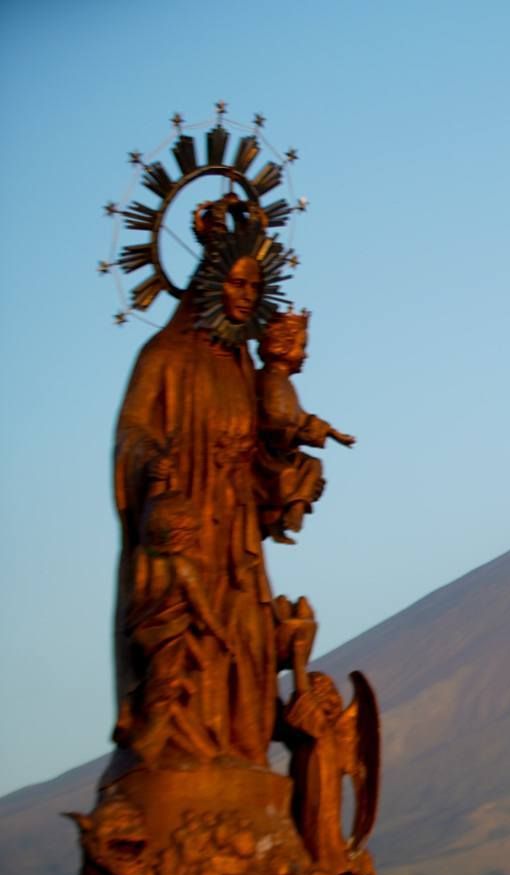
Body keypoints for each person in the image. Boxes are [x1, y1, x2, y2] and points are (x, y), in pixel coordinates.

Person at [112, 196, 284, 772]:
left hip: (236, 534)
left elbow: (264, 450)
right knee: (190, 640)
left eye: (254, 286)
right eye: (236, 283)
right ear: (211, 282)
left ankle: (241, 752)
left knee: (250, 638)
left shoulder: (241, 367)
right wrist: (154, 460)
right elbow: (132, 433)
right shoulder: (164, 356)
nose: (247, 296)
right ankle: (179, 748)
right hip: (186, 527)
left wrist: (286, 463)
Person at [254, 308, 355, 542]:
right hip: (268, 453)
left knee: (312, 466)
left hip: (285, 448)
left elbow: (302, 417)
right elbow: (274, 420)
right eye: (302, 347)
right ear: (283, 346)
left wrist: (331, 432)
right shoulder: (270, 381)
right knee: (289, 474)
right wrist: (301, 435)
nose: (305, 355)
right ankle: (285, 513)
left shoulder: (282, 383)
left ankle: (296, 506)